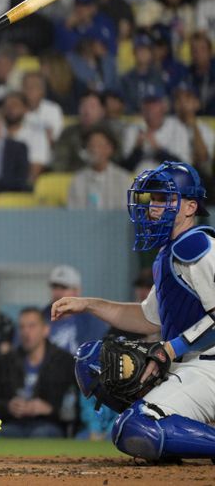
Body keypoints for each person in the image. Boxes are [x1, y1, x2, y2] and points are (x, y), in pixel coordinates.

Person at [53, 161, 215, 461]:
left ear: (190, 207)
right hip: (191, 363)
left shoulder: (197, 246)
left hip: (209, 366)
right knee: (92, 362)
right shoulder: (171, 252)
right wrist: (89, 304)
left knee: (135, 428)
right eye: (153, 199)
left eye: (165, 199)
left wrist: (170, 348)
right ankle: (173, 441)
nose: (154, 207)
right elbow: (147, 318)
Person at [0, 307, 76, 438]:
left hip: (48, 424)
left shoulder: (64, 361)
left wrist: (49, 409)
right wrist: (8, 406)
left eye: (32, 326)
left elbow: (75, 404)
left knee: (41, 434)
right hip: (13, 424)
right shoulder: (5, 361)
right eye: (22, 327)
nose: (26, 332)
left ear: (45, 330)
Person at [41, 265, 107, 354]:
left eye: (64, 287)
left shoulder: (93, 321)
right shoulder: (40, 317)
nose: (58, 293)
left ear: (77, 291)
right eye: (55, 287)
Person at [67, 129, 135, 211]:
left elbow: (127, 214)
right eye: (90, 145)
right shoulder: (78, 180)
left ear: (110, 149)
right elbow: (73, 214)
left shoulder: (124, 179)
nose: (94, 149)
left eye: (99, 145)